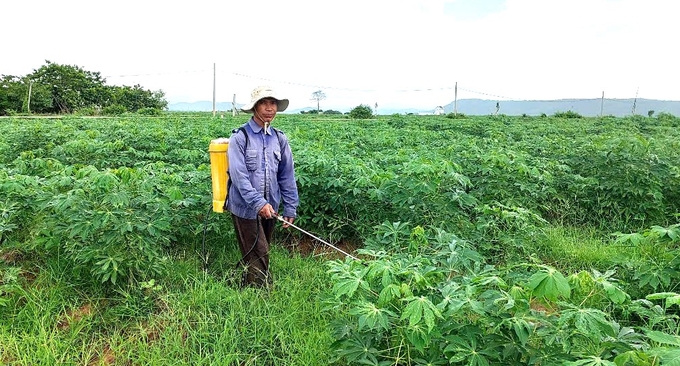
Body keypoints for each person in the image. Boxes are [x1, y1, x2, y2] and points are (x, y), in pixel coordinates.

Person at [226, 86, 299, 288]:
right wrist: (259, 203)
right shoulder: (240, 137)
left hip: (271, 206)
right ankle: (261, 294)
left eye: (273, 103)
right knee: (260, 251)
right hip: (245, 207)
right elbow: (239, 177)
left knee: (255, 251)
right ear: (255, 107)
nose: (269, 108)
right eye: (264, 103)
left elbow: (287, 175)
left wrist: (290, 207)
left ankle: (241, 282)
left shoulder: (279, 138)